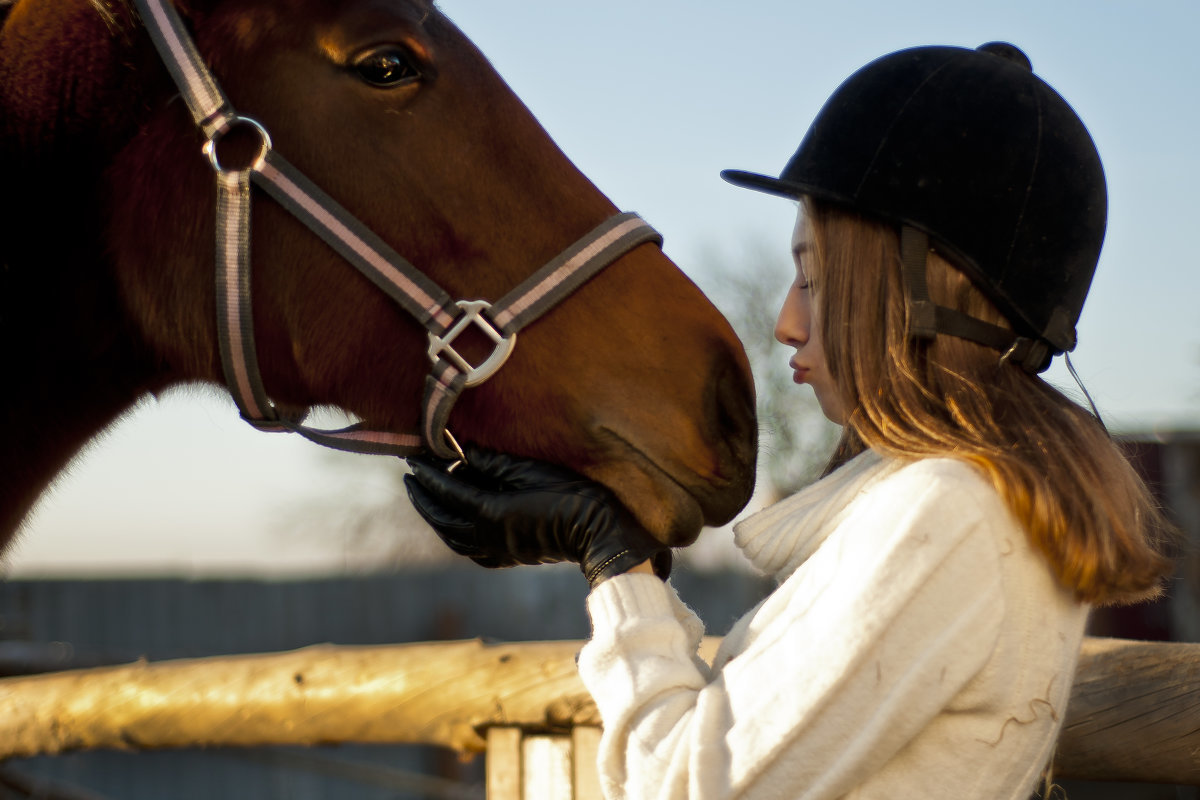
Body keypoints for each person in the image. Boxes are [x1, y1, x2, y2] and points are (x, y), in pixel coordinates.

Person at [404, 42, 1174, 799]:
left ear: (918, 292)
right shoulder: (964, 506)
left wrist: (616, 564)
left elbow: (684, 788)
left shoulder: (948, 515)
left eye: (815, 276)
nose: (785, 322)